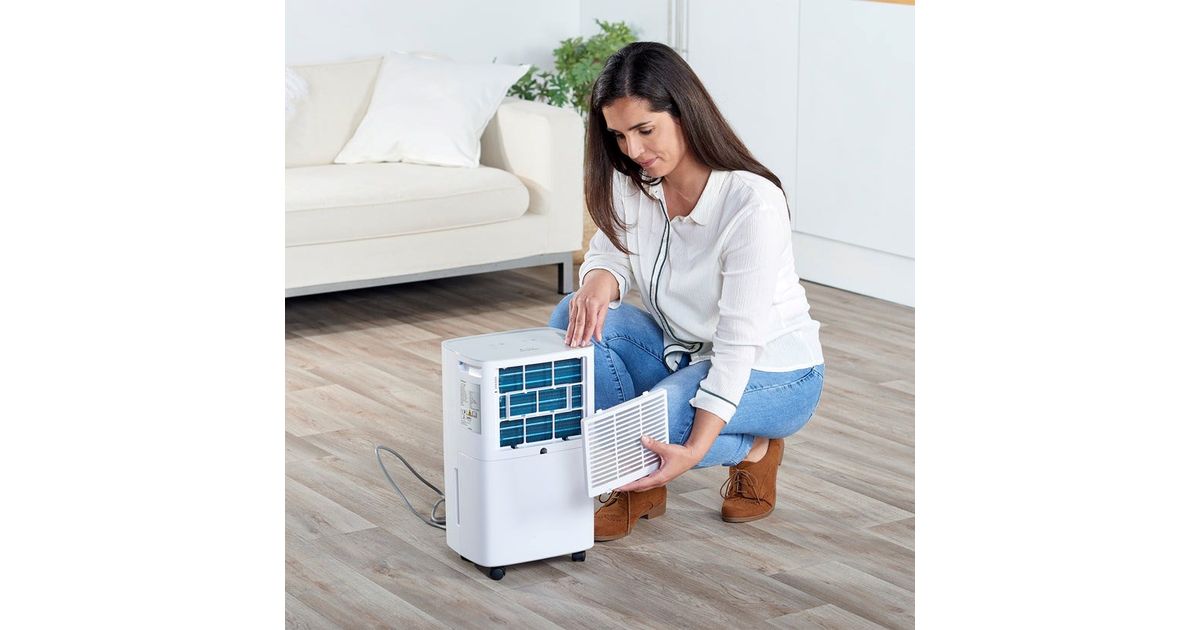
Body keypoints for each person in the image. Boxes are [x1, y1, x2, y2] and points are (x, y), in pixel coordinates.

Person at [547, 42, 826, 542]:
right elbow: (612, 253)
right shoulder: (635, 181)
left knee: (662, 418)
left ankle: (754, 450)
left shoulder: (751, 204)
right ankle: (635, 479)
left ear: (684, 112)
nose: (633, 150)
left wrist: (696, 449)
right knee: (573, 319)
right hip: (686, 355)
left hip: (774, 371)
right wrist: (597, 281)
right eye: (619, 135)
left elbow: (738, 346)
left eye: (645, 130)